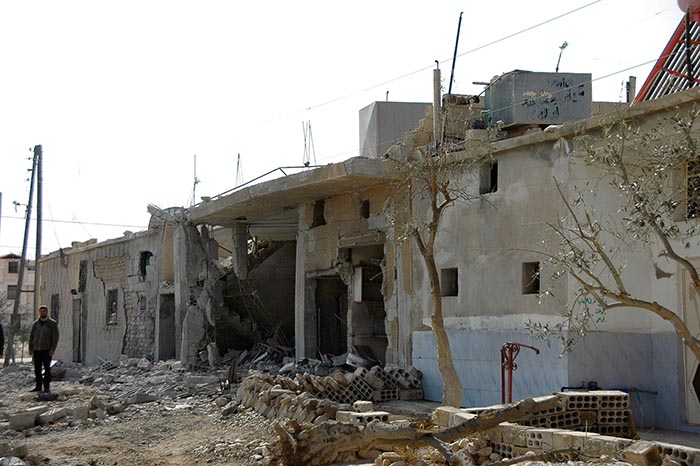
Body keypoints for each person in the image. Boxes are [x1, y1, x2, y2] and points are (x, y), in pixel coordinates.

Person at [28, 305, 59, 393]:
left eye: (44, 311)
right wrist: (31, 348)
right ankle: (38, 386)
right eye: (41, 311)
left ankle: (46, 387)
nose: (42, 313)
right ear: (39, 313)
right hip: (37, 350)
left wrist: (52, 349)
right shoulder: (36, 324)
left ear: (47, 312)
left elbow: (55, 337)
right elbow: (31, 336)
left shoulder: (52, 323)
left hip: (47, 350)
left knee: (47, 369)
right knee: (37, 369)